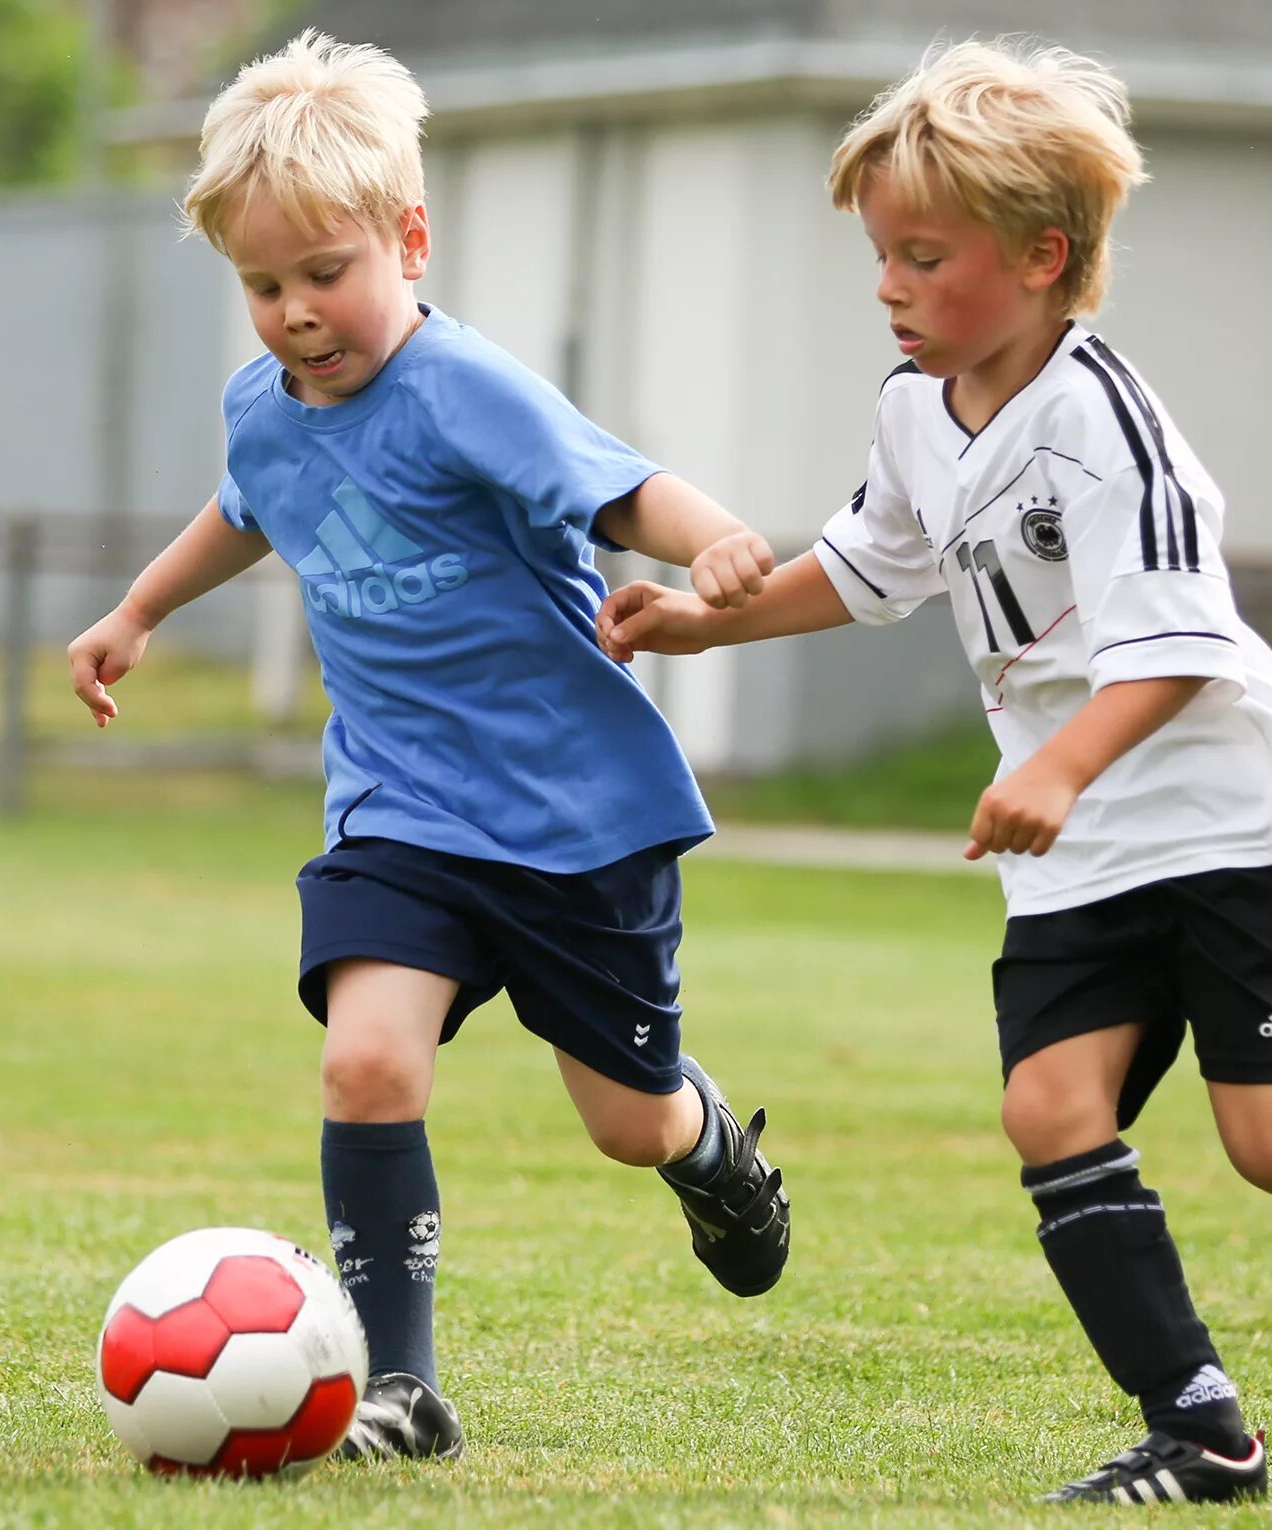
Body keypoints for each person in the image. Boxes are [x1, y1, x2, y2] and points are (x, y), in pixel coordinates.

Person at [597, 38, 1272, 1506]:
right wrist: (704, 616)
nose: (889, 286)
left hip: (1233, 826)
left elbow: (1181, 645)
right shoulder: (913, 411)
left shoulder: (1105, 428)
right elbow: (877, 564)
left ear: (1043, 257)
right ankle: (1202, 1432)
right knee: (1050, 1109)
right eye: (881, 255)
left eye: (924, 257)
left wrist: (1056, 765)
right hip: (1086, 848)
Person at [68, 30, 792, 1464]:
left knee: (628, 1121)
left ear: (409, 238)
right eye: (263, 286)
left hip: (577, 822)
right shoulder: (260, 408)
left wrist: (717, 546)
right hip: (401, 813)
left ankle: (717, 1154)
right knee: (367, 1067)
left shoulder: (469, 391)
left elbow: (624, 484)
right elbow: (249, 504)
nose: (295, 313)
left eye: (325, 274)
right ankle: (401, 1384)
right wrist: (138, 608)